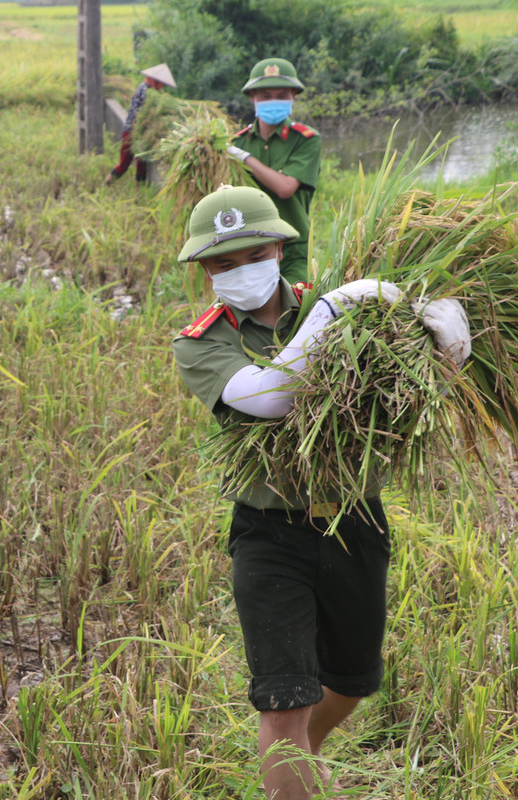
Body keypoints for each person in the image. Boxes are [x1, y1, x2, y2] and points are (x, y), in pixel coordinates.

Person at [171, 185, 470, 799]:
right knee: (283, 700)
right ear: (204, 271)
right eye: (222, 264)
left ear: (280, 248)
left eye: (251, 255)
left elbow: (403, 403)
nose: (238, 272)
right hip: (268, 531)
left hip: (356, 520)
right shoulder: (202, 341)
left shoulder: (345, 303)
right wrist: (333, 313)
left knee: (353, 680)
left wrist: (448, 358)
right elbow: (267, 397)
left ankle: (304, 761)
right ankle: (293, 779)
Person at [225, 58, 321, 284]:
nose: (273, 101)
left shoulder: (306, 139)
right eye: (265, 96)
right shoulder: (236, 143)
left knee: (297, 311)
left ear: (293, 97)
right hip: (248, 249)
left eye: (281, 95)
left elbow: (286, 188)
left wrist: (246, 159)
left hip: (292, 246)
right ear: (253, 98)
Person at [106, 63, 176, 184]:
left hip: (139, 134)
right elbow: (150, 110)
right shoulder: (146, 91)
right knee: (125, 163)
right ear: (155, 81)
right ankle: (108, 182)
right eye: (160, 85)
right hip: (130, 132)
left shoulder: (146, 89)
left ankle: (139, 188)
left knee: (141, 162)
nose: (161, 88)